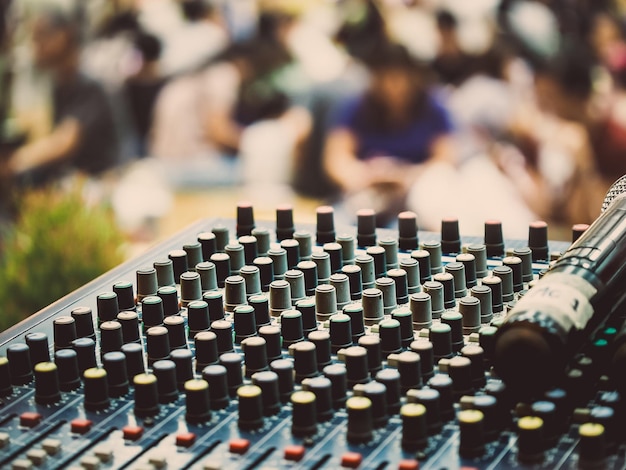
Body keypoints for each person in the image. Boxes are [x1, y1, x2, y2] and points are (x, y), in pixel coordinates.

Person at [323, 43, 455, 223]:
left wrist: (407, 176)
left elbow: (445, 160)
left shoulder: (434, 108)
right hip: (367, 194)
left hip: (417, 194)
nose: (394, 86)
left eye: (400, 77)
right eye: (386, 78)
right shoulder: (356, 107)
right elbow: (337, 159)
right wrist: (365, 175)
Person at [7, 8, 119, 186]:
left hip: (101, 182)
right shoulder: (59, 85)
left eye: (40, 37)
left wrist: (12, 163)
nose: (35, 46)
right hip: (73, 181)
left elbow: (64, 142)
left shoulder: (89, 85)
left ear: (63, 37)